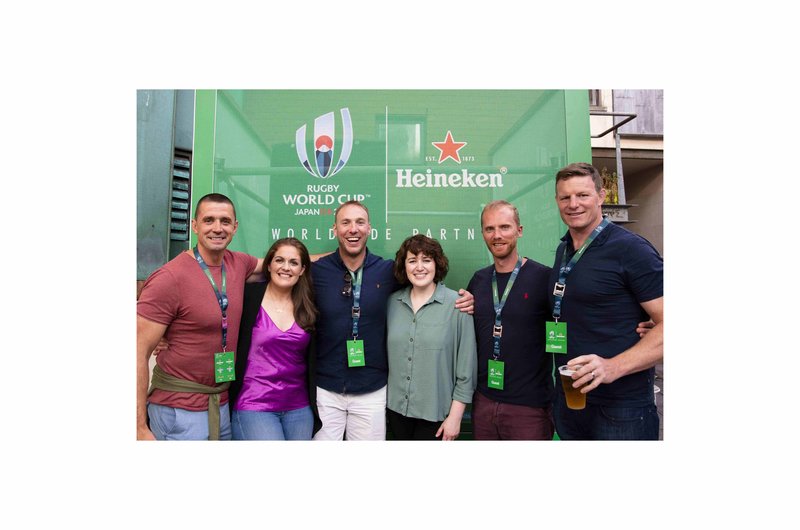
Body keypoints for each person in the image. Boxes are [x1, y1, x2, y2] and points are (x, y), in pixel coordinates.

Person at [310, 200, 474, 441]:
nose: (353, 229)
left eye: (359, 222)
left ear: (369, 229)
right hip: (326, 389)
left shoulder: (386, 271)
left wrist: (467, 299)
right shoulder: (317, 270)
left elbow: (424, 280)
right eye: (345, 223)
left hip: (372, 390)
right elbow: (283, 265)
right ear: (335, 229)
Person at [549, 162, 663, 440]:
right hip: (572, 401)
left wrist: (613, 367)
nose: (573, 204)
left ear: (601, 196)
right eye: (565, 197)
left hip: (621, 408)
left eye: (583, 195)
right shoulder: (564, 249)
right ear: (557, 201)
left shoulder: (631, 249)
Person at [137, 193, 263, 440]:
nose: (218, 228)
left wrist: (339, 260)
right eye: (209, 220)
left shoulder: (237, 263)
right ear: (195, 225)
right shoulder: (169, 278)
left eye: (225, 221)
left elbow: (285, 265)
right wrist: (138, 427)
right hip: (178, 411)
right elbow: (136, 351)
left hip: (220, 405)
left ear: (235, 227)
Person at [467, 200, 555, 440]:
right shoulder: (479, 280)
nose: (497, 235)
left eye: (505, 227)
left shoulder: (544, 278)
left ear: (519, 230)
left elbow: (573, 321)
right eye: (489, 229)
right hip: (484, 402)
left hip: (529, 408)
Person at [228, 238, 321, 440]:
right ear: (268, 265)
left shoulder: (309, 304)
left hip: (299, 408)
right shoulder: (247, 297)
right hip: (254, 405)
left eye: (293, 262)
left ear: (303, 270)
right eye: (279, 260)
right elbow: (210, 319)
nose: (286, 268)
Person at [386, 235, 476, 441]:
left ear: (437, 264)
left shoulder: (458, 305)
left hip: (438, 416)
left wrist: (455, 417)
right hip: (396, 412)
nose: (419, 267)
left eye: (426, 260)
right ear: (404, 266)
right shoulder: (391, 303)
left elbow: (466, 369)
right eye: (412, 260)